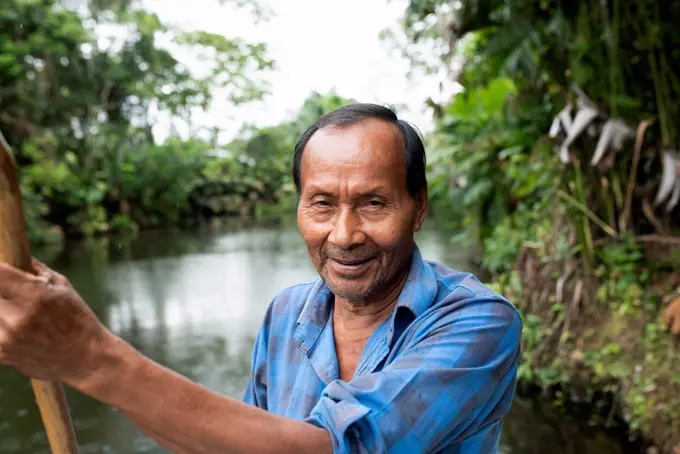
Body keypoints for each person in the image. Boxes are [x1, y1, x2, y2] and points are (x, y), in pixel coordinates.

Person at [0, 103, 522, 453]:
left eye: (374, 203)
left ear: (418, 208)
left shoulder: (479, 322)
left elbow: (342, 448)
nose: (343, 234)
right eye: (321, 204)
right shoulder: (287, 312)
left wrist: (89, 356)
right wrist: (74, 360)